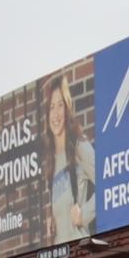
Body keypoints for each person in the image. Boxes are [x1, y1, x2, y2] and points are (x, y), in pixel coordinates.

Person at [43, 76, 95, 244]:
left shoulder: (79, 145)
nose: (56, 114)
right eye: (51, 107)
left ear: (67, 109)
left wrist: (84, 214)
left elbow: (109, 184)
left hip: (80, 252)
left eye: (60, 105)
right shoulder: (51, 160)